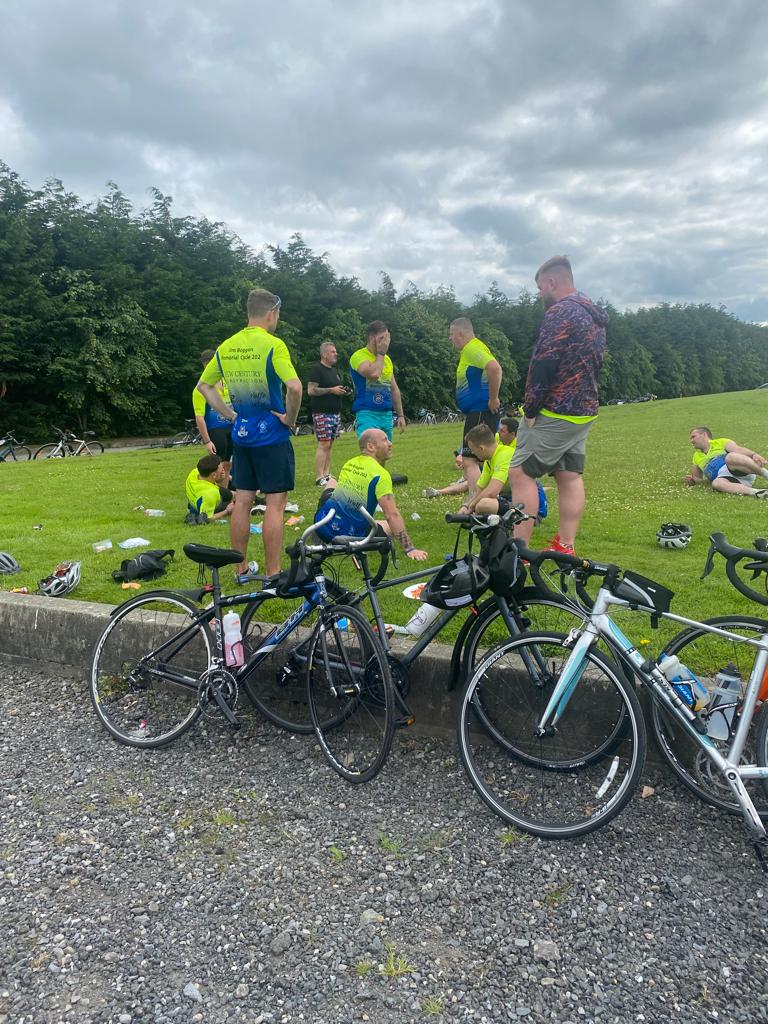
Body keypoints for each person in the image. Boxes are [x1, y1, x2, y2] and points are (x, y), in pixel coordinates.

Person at [198, 289, 302, 581]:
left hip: (241, 434)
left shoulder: (227, 346)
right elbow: (294, 387)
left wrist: (231, 415)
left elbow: (204, 386)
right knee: (275, 503)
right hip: (272, 435)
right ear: (272, 313)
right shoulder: (273, 345)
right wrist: (290, 419)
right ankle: (273, 572)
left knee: (242, 501)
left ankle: (240, 570)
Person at [509, 255, 607, 554]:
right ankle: (565, 545)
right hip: (584, 409)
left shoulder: (560, 312)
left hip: (555, 409)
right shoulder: (592, 315)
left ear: (552, 282)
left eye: (540, 287)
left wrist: (531, 407)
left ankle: (518, 552)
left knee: (521, 473)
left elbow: (543, 362)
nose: (539, 294)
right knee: (569, 475)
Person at [314, 428, 427, 560]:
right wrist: (410, 548)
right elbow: (391, 515)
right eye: (385, 440)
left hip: (322, 522)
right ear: (371, 447)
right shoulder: (381, 475)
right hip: (349, 535)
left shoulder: (350, 463)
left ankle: (323, 530)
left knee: (332, 482)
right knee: (388, 525)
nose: (390, 444)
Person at [449, 317, 502, 491]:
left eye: (451, 334)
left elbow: (495, 368)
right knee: (478, 458)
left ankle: (475, 498)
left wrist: (493, 398)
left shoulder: (472, 348)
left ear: (461, 334)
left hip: (480, 410)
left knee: (469, 459)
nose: (450, 338)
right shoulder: (472, 349)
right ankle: (481, 497)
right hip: (477, 411)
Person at [349, 321, 406, 440]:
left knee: (385, 450)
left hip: (386, 415)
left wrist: (400, 415)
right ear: (371, 338)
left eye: (387, 338)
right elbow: (374, 374)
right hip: (367, 413)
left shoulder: (387, 360)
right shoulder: (358, 356)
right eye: (381, 338)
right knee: (371, 449)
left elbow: (394, 389)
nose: (385, 342)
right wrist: (381, 353)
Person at [307, 342, 347, 486]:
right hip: (322, 413)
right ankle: (319, 477)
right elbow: (311, 390)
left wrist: (341, 391)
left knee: (330, 444)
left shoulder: (334, 371)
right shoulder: (317, 369)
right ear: (324, 354)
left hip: (335, 413)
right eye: (332, 351)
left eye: (335, 351)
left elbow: (334, 388)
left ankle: (327, 474)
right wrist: (331, 390)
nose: (336, 354)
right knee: (323, 443)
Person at [685, 427, 768, 497]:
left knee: (730, 457)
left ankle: (766, 474)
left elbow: (738, 450)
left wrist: (753, 454)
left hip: (740, 470)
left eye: (693, 437)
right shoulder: (696, 456)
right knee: (716, 483)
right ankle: (757, 492)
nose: (691, 441)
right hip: (727, 479)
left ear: (704, 434)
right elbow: (698, 478)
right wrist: (693, 480)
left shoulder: (720, 442)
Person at [192, 348, 234, 485]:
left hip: (231, 427)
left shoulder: (227, 382)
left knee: (227, 464)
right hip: (215, 429)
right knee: (217, 467)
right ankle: (212, 492)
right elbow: (199, 417)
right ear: (205, 365)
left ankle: (225, 492)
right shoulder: (201, 389)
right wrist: (207, 441)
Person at [456, 424, 516, 517]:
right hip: (511, 500)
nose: (473, 453)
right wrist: (466, 506)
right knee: (481, 503)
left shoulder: (504, 455)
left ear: (481, 448)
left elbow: (492, 492)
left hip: (527, 505)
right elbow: (480, 489)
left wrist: (472, 506)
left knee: (483, 505)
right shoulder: (489, 459)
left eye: (473, 450)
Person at [185, 454, 235, 522]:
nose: (223, 470)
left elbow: (214, 479)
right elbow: (207, 518)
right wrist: (227, 511)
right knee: (234, 502)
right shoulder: (211, 494)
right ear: (213, 475)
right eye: (221, 469)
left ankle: (192, 509)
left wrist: (221, 478)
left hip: (197, 499)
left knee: (232, 495)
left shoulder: (194, 473)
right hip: (207, 501)